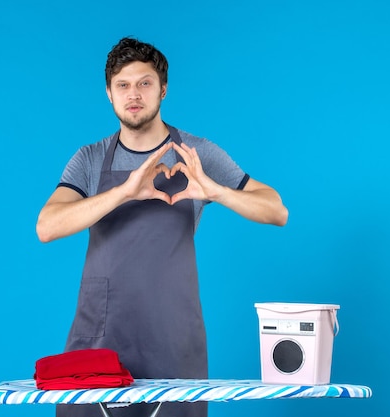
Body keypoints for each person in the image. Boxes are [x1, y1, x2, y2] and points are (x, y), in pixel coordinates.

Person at [36, 37, 288, 417]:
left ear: (163, 89)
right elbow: (47, 226)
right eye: (123, 85)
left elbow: (276, 210)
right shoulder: (89, 160)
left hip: (173, 339)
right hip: (100, 338)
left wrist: (215, 190)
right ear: (108, 93)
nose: (133, 94)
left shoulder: (195, 154)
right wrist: (125, 191)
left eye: (144, 83)